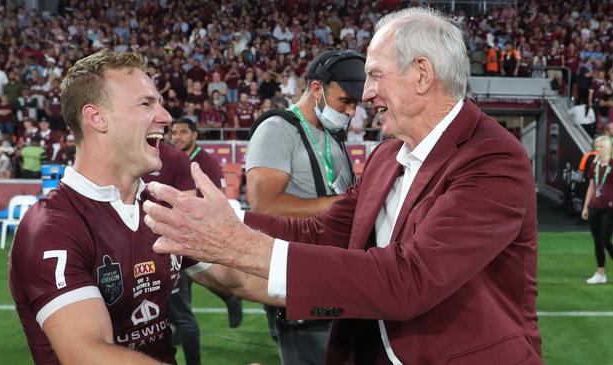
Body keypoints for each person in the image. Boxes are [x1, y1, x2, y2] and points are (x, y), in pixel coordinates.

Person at [143, 8, 542, 365]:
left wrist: (244, 247)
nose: (366, 94)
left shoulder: (493, 158)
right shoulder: (389, 155)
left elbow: (411, 280)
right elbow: (324, 232)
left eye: (374, 75)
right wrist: (229, 219)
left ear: (422, 74)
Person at [9, 49, 277, 365]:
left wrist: (338, 292)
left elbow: (239, 280)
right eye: (146, 103)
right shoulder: (51, 229)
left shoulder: (161, 209)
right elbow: (88, 355)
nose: (165, 116)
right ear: (97, 118)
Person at [245, 48, 363, 365]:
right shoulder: (277, 129)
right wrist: (345, 205)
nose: (351, 111)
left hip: (334, 278)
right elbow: (265, 207)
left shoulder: (332, 136)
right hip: (301, 287)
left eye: (355, 103)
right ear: (315, 89)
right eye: (345, 101)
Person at [162, 118, 244, 365]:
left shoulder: (206, 162)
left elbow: (217, 199)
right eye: (174, 132)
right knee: (184, 285)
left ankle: (227, 300)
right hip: (172, 232)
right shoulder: (169, 159)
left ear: (195, 135)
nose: (177, 136)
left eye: (183, 132)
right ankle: (227, 300)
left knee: (184, 288)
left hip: (196, 233)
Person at [581, 135, 613, 284]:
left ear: (609, 148)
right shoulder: (594, 165)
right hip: (595, 207)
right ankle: (600, 273)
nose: (598, 150)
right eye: (596, 147)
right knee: (597, 241)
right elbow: (592, 186)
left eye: (601, 147)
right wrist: (586, 206)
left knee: (605, 239)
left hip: (610, 208)